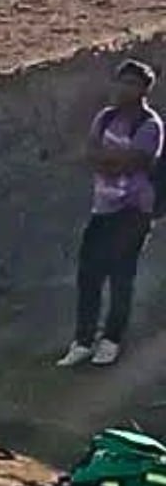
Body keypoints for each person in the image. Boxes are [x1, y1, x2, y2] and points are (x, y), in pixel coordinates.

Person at [59, 60, 164, 368]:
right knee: (88, 275)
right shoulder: (106, 118)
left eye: (131, 84)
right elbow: (91, 154)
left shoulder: (150, 124)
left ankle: (112, 340)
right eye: (120, 82)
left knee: (121, 278)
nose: (122, 89)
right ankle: (83, 340)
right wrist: (110, 159)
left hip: (133, 211)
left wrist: (109, 159)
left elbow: (136, 161)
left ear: (144, 89)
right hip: (102, 207)